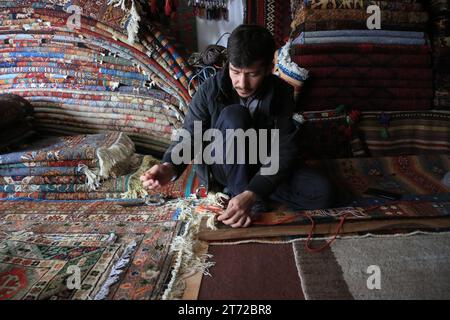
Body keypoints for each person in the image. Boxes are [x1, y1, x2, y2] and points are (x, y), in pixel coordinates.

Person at [140, 24, 334, 228]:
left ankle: (247, 194)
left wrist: (254, 191)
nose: (242, 83)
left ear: (269, 68)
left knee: (322, 192)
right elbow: (191, 136)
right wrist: (168, 167)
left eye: (252, 74)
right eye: (235, 72)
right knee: (235, 116)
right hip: (223, 162)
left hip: (261, 164)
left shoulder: (281, 92)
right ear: (228, 65)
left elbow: (283, 150)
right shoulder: (209, 90)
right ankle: (244, 196)